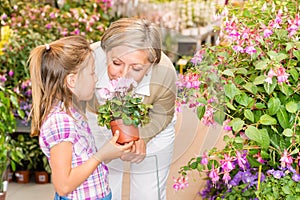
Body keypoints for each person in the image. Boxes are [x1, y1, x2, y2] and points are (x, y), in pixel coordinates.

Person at [28, 35, 133, 200]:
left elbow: (81, 162)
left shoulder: (73, 112)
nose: (96, 78)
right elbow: (63, 186)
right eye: (91, 73)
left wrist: (110, 153)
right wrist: (102, 155)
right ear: (71, 80)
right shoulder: (60, 121)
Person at [87, 18, 177, 200]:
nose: (124, 74)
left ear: (151, 63)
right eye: (117, 63)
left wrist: (142, 137)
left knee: (148, 193)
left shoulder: (165, 72)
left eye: (136, 68)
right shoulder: (88, 60)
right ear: (106, 53)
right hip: (100, 121)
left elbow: (162, 113)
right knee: (103, 186)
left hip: (152, 121)